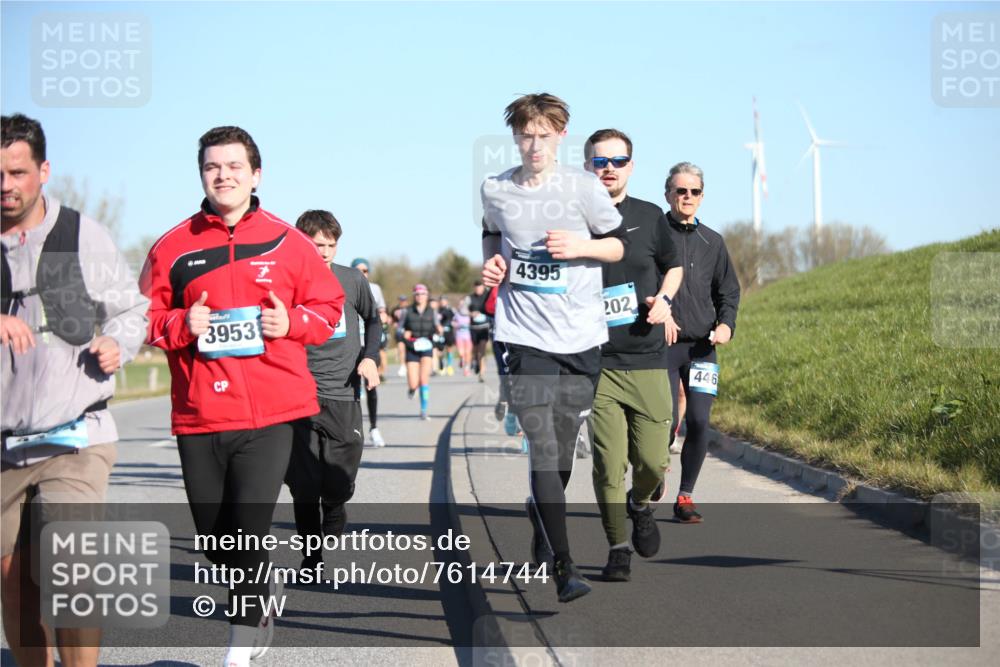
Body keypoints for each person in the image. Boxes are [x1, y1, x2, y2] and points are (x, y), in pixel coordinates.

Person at [140, 126, 344, 667]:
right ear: (201, 175)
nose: (223, 175)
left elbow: (328, 310)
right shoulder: (171, 247)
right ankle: (260, 588)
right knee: (216, 542)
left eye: (234, 166)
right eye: (212, 167)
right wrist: (182, 323)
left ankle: (239, 645)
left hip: (272, 413)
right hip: (201, 414)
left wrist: (290, 322)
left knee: (248, 532)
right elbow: (142, 319)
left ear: (256, 175)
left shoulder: (289, 242)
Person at [1, 113, 148, 667]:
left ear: (43, 171)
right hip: (3, 445)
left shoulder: (82, 235)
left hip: (75, 434)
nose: (6, 185)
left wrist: (117, 342)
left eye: (17, 172)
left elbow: (131, 310)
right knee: (14, 582)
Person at [481, 93, 627, 602]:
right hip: (524, 336)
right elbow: (491, 233)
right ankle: (564, 567)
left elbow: (618, 245)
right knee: (542, 447)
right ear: (515, 137)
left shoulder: (584, 187)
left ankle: (541, 512)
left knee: (562, 452)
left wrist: (580, 246)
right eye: (525, 135)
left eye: (544, 135)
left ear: (561, 136)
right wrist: (493, 262)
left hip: (581, 337)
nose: (534, 145)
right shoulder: (495, 189)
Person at [583, 129, 683, 581]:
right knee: (608, 465)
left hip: (646, 357)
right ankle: (617, 547)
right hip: (597, 363)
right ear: (587, 166)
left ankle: (639, 503)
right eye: (600, 161)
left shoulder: (650, 216)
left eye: (618, 161)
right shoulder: (573, 218)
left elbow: (673, 266)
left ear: (631, 166)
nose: (609, 168)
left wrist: (665, 299)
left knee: (652, 462)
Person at [289, 212, 380, 571]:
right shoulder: (285, 282)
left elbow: (373, 320)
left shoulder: (351, 279)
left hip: (343, 391)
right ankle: (311, 559)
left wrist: (370, 357)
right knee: (304, 483)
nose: (324, 252)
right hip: (299, 393)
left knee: (339, 478)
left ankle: (336, 504)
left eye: (331, 245)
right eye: (317, 245)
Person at [659, 162, 740, 523]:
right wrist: (659, 311)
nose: (687, 196)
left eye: (694, 191)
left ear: (702, 197)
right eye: (681, 190)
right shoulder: (654, 236)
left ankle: (685, 497)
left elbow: (729, 292)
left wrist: (726, 325)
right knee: (663, 420)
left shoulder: (713, 241)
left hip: (702, 348)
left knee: (699, 421)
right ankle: (653, 472)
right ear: (668, 195)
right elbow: (640, 282)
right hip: (662, 345)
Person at [350, 258, 387, 447]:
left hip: (369, 344)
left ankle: (374, 428)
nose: (362, 274)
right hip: (351, 344)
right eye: (358, 270)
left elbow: (381, 312)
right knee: (352, 390)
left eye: (365, 271)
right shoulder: (347, 284)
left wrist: (383, 317)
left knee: (371, 387)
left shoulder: (375, 289)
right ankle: (354, 430)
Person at [401, 284, 441, 420]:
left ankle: (424, 410)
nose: (420, 296)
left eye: (423, 294)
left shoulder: (432, 311)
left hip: (427, 347)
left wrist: (439, 331)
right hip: (412, 347)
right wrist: (404, 334)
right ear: (414, 296)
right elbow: (399, 329)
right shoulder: (407, 311)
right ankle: (412, 389)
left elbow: (437, 327)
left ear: (427, 296)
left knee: (424, 379)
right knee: (413, 383)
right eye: (417, 294)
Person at [466, 281, 490, 382]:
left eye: (480, 287)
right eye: (476, 288)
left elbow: (492, 307)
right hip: (473, 328)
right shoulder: (470, 298)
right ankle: (476, 361)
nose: (478, 289)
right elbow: (463, 310)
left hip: (484, 327)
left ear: (483, 287)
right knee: (475, 350)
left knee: (482, 350)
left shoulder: (487, 296)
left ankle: (482, 373)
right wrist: (471, 314)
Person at [452, 302, 473, 376]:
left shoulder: (469, 314)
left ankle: (466, 369)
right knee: (461, 353)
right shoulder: (457, 314)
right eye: (460, 304)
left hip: (468, 336)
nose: (462, 306)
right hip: (459, 336)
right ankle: (461, 359)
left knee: (468, 353)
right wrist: (457, 325)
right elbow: (453, 323)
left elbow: (473, 323)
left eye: (463, 304)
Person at [437, 295, 456, 376]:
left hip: (449, 332)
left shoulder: (450, 310)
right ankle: (441, 366)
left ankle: (449, 366)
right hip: (440, 333)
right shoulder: (437, 311)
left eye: (444, 301)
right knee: (440, 350)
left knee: (449, 349)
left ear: (446, 301)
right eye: (441, 301)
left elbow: (455, 319)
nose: (442, 302)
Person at [393, 295, 409, 377]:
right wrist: (394, 323)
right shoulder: (395, 309)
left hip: (408, 332)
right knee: (401, 349)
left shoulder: (410, 309)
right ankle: (403, 366)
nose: (402, 302)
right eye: (401, 300)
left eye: (404, 300)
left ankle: (408, 365)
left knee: (408, 350)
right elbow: (391, 319)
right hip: (399, 332)